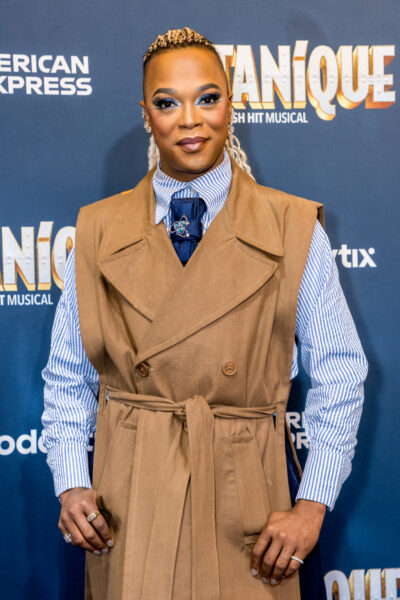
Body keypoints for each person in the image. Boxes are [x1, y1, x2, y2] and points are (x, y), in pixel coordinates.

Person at [42, 27, 368, 600]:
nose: (190, 120)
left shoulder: (291, 228)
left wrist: (312, 504)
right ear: (146, 114)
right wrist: (71, 483)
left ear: (230, 104)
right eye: (167, 102)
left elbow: (340, 372)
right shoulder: (97, 230)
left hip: (247, 500)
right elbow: (68, 375)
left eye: (207, 98)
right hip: (128, 500)